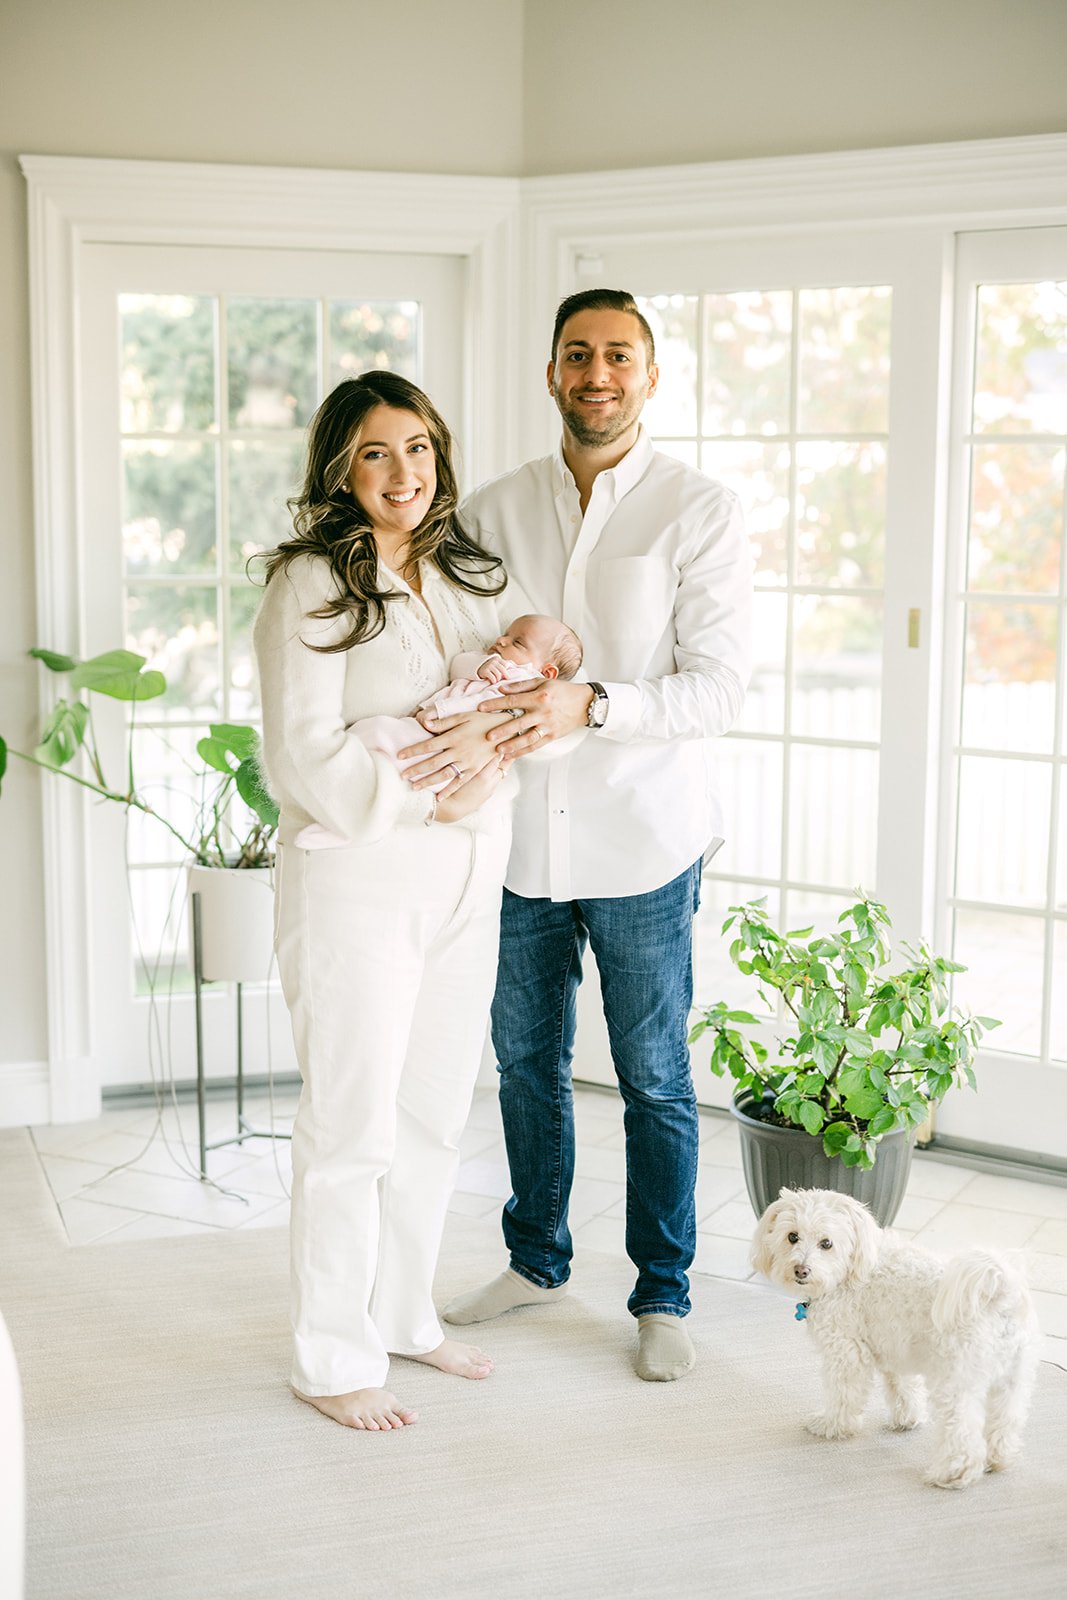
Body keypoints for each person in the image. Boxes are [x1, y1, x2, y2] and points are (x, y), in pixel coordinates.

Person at [397, 288, 753, 1382]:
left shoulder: (698, 509)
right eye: (576, 355)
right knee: (522, 1063)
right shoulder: (495, 509)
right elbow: (447, 637)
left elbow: (721, 686)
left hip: (644, 839)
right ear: (549, 373)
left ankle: (662, 1291)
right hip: (516, 843)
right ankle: (534, 1257)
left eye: (618, 356)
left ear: (649, 375)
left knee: (650, 1073)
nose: (596, 374)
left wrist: (592, 703)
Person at [253, 370, 518, 1431]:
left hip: (467, 870)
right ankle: (329, 1354)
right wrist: (419, 793)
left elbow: (502, 709)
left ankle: (403, 1312)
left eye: (415, 447)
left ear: (438, 455)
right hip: (358, 875)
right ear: (339, 468)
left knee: (433, 1113)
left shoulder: (469, 573)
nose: (400, 471)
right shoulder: (312, 582)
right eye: (374, 452)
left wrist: (485, 778)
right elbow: (298, 753)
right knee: (351, 1123)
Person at [293, 613, 582, 850]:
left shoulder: (533, 690)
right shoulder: (491, 664)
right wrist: (482, 665)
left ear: (547, 673)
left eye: (517, 642)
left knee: (380, 738)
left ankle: (349, 826)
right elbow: (459, 665)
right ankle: (351, 816)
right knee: (375, 740)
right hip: (427, 731)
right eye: (506, 633)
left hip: (446, 746)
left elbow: (528, 729)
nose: (501, 639)